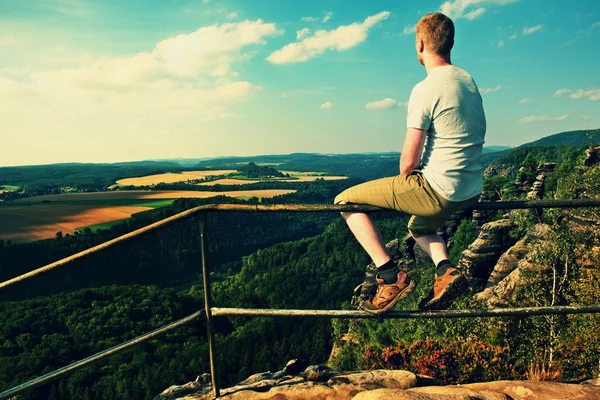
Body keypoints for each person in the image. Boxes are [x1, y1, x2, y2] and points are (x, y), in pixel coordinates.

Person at [334, 12, 486, 314]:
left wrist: (416, 178)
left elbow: (408, 163)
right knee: (418, 227)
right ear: (450, 43)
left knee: (344, 201)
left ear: (420, 44)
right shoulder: (467, 81)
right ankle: (445, 270)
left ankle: (390, 277)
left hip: (437, 189)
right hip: (471, 189)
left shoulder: (426, 88)